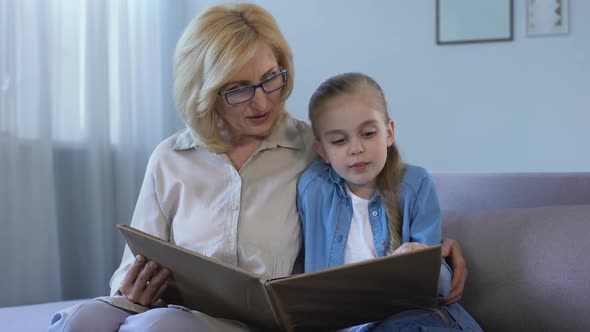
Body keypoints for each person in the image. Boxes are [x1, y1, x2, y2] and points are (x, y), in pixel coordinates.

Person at [48, 3, 470, 332]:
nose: (264, 101)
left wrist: (435, 247)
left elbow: (376, 186)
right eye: (239, 89)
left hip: (249, 322)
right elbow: (132, 261)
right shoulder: (170, 157)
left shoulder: (315, 147)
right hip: (166, 308)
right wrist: (129, 287)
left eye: (272, 78)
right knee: (82, 321)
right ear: (205, 91)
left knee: (159, 327)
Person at [297, 72, 482, 331]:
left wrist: (423, 261)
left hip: (409, 319)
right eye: (339, 140)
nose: (356, 148)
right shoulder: (312, 188)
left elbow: (438, 288)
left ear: (389, 132)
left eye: (368, 133)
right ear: (322, 151)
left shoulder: (416, 184)